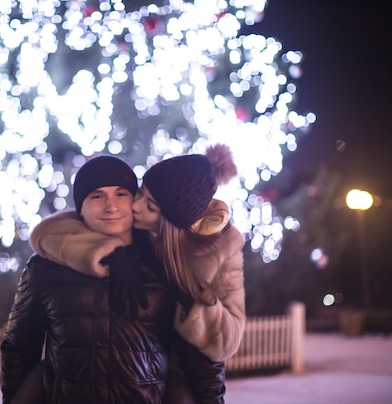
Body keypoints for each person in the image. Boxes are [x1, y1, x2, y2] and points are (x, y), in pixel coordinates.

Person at [1, 155, 225, 404]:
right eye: (97, 196)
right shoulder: (45, 268)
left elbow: (201, 360)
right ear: (80, 207)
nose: (111, 206)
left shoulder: (167, 265)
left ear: (135, 201)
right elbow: (18, 349)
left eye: (121, 194)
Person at [30, 143, 246, 363]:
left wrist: (194, 301)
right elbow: (52, 232)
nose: (135, 206)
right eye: (140, 193)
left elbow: (226, 343)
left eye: (150, 207)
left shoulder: (222, 253)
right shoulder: (131, 227)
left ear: (168, 225)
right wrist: (109, 251)